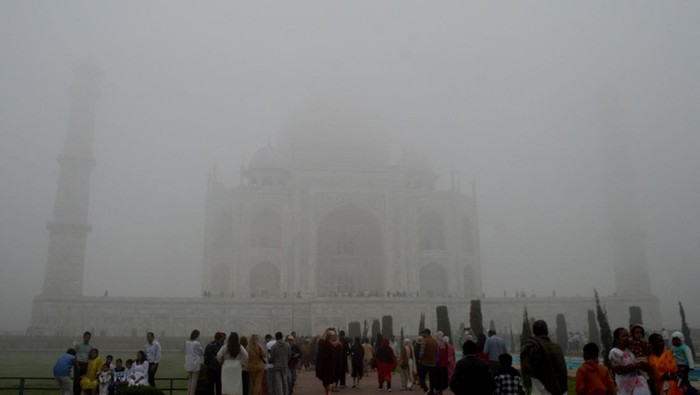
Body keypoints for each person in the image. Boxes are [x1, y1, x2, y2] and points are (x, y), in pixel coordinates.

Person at [520, 320, 567, 395]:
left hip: (538, 390)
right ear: (547, 331)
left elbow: (526, 369)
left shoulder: (530, 348)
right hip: (560, 390)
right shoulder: (556, 348)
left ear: (534, 332)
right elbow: (562, 370)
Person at [609, 327, 651, 395]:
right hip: (625, 386)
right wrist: (635, 366)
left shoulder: (630, 350)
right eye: (623, 336)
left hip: (637, 384)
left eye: (627, 336)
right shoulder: (614, 352)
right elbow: (618, 370)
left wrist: (643, 365)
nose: (626, 338)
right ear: (617, 339)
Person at [315, 328, 337, 395]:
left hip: (323, 365)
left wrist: (325, 331)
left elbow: (320, 339)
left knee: (325, 381)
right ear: (331, 338)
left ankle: (327, 392)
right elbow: (338, 340)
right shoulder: (332, 344)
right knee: (330, 381)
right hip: (330, 365)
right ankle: (329, 392)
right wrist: (335, 332)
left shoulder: (321, 343)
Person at [418, 329, 438, 395]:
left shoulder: (425, 341)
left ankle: (425, 388)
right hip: (433, 363)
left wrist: (420, 359)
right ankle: (432, 391)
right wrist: (436, 360)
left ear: (426, 333)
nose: (422, 335)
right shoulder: (435, 341)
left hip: (424, 362)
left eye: (423, 333)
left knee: (421, 376)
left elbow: (422, 352)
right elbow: (437, 352)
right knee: (432, 378)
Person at [185, 329, 205, 395]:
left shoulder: (187, 343)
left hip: (188, 362)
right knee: (194, 380)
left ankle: (188, 393)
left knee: (189, 380)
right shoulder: (197, 343)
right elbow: (201, 352)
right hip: (195, 363)